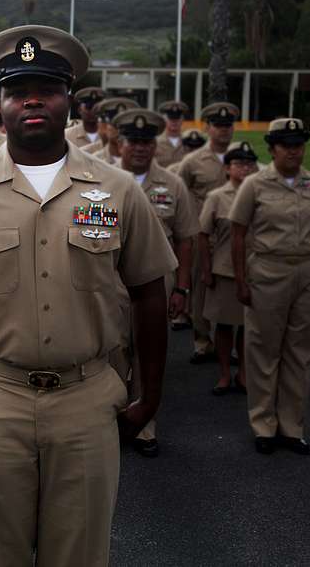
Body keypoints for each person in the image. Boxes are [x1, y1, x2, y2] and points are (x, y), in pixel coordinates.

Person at [0, 25, 174, 566]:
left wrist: (150, 395)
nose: (32, 100)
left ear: (67, 102)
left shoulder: (116, 189)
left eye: (46, 89)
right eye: (16, 90)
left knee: (79, 554)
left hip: (87, 399)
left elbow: (149, 294)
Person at [229, 118, 310, 456]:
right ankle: (264, 425)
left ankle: (292, 427)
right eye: (286, 144)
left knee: (300, 353)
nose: (293, 150)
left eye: (299, 143)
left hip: (308, 272)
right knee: (263, 351)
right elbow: (238, 234)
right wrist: (241, 281)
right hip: (268, 272)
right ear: (272, 148)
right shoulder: (255, 184)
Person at [111, 108, 197, 458]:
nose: (141, 148)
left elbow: (186, 238)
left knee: (148, 352)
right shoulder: (101, 182)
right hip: (110, 281)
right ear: (120, 144)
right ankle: (110, 422)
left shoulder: (173, 184)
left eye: (148, 141)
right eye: (134, 141)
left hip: (156, 281)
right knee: (111, 352)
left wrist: (182, 288)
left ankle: (144, 424)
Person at [174, 101, 240, 364]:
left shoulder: (244, 159)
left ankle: (232, 346)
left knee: (234, 290)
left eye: (228, 125)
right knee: (201, 288)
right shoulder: (192, 161)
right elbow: (179, 191)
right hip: (204, 234)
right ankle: (203, 342)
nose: (224, 131)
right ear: (207, 128)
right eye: (218, 126)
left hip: (235, 236)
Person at [198, 141, 258, 396]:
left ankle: (243, 373)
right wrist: (206, 270)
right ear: (227, 168)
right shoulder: (216, 197)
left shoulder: (260, 194)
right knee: (224, 325)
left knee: (248, 327)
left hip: (256, 270)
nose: (244, 169)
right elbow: (202, 235)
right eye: (238, 164)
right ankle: (224, 373)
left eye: (248, 164)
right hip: (224, 270)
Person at [81, 96, 139, 162]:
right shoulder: (92, 161)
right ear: (105, 126)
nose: (120, 130)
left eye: (126, 125)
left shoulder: (146, 160)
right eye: (116, 125)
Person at [154, 100, 190, 168]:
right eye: (171, 119)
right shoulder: (155, 142)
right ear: (164, 119)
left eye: (177, 119)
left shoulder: (189, 141)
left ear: (182, 119)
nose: (174, 122)